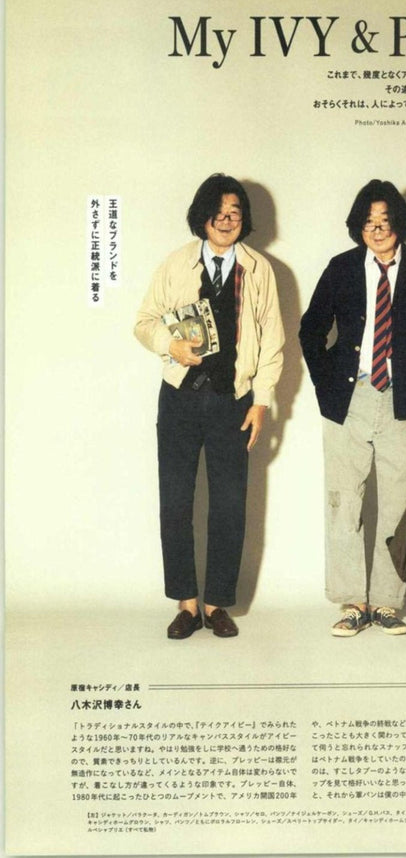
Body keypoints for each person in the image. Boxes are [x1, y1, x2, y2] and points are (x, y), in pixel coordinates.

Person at [135, 173, 284, 639]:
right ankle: (186, 604)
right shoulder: (176, 264)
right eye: (218, 212)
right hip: (179, 397)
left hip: (233, 401)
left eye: (235, 213)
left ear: (244, 220)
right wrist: (170, 345)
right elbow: (143, 322)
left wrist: (261, 402)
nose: (226, 220)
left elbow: (274, 342)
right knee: (176, 502)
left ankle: (217, 604)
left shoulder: (259, 270)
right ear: (203, 217)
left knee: (229, 505)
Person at [299, 179, 406, 637]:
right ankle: (352, 602)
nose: (377, 229)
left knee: (398, 505)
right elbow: (311, 329)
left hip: (404, 401)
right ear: (358, 227)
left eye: (385, 221)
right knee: (344, 502)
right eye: (368, 222)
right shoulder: (342, 268)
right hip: (351, 398)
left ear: (399, 223)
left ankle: (386, 603)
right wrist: (328, 385)